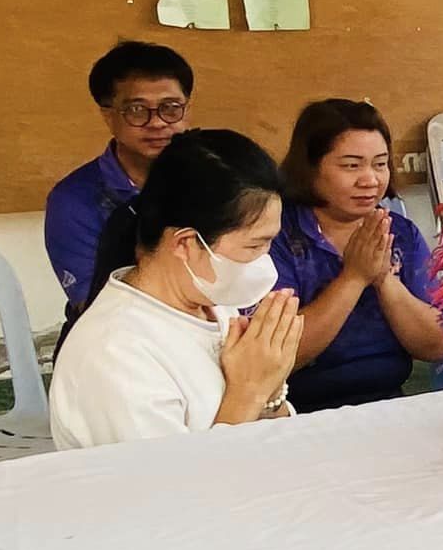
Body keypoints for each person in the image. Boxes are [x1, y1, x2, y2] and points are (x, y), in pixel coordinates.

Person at [49, 131, 301, 450]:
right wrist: (249, 392)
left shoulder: (216, 303)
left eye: (270, 242)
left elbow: (281, 446)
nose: (264, 260)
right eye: (254, 245)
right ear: (185, 243)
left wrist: (272, 386)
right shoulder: (114, 353)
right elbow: (173, 488)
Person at [268, 100, 443, 412]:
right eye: (351, 166)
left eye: (379, 164)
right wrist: (354, 277)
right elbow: (278, 356)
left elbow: (436, 345)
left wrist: (384, 281)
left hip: (388, 404)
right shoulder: (276, 236)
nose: (370, 180)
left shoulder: (400, 233)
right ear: (309, 168)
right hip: (297, 412)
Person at [45, 41, 194, 316]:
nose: (158, 122)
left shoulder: (213, 179)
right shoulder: (73, 201)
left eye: (171, 107)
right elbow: (98, 308)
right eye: (137, 110)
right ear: (108, 115)